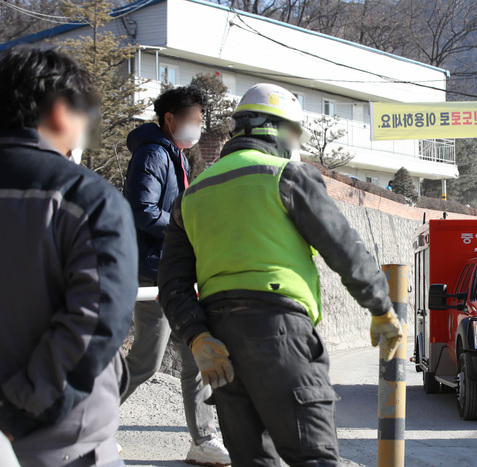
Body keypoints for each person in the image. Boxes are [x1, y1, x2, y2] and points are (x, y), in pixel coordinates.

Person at [158, 83, 403, 465]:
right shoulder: (287, 175)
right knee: (313, 457)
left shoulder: (191, 195)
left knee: (254, 460)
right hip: (280, 331)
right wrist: (381, 308)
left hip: (217, 341)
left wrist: (196, 337)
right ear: (276, 129)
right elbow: (343, 247)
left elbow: (171, 284)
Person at [0, 46, 137, 466]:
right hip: (58, 440)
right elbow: (95, 322)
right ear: (60, 112)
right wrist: (16, 412)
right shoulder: (87, 198)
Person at [122, 87, 230, 466]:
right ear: (170, 119)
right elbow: (142, 210)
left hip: (175, 272)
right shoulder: (154, 153)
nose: (197, 126)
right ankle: (89, 419)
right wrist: (186, 228)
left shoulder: (175, 155)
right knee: (146, 361)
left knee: (195, 354)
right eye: (193, 119)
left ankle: (203, 440)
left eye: (200, 119)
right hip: (153, 273)